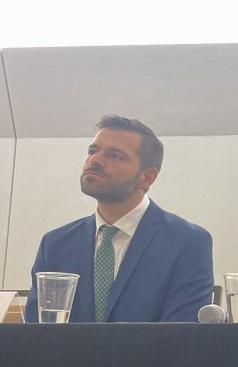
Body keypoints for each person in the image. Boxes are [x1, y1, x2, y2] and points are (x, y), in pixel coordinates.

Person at [25, 115, 213, 323]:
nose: (94, 160)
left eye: (115, 155)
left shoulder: (187, 242)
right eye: (93, 151)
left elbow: (181, 338)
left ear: (147, 176)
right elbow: (37, 336)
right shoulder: (55, 245)